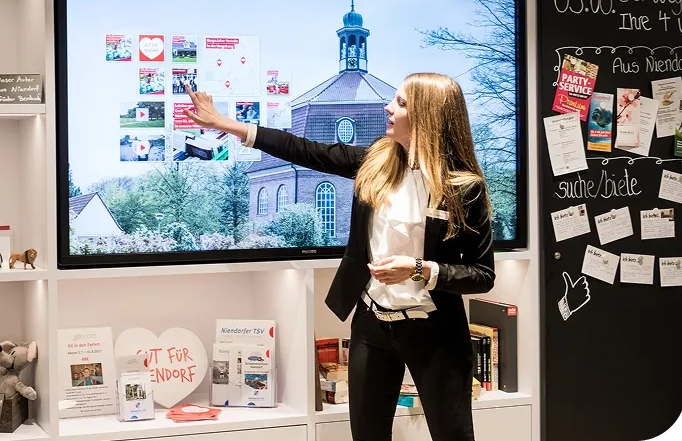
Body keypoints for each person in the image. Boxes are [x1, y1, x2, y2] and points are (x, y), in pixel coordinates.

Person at [185, 73, 495, 441]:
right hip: (372, 327)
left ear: (429, 116)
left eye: (400, 103)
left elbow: (481, 274)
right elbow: (303, 149)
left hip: (434, 332)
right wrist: (229, 125)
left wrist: (420, 270)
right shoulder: (375, 162)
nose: (388, 107)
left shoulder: (464, 188)